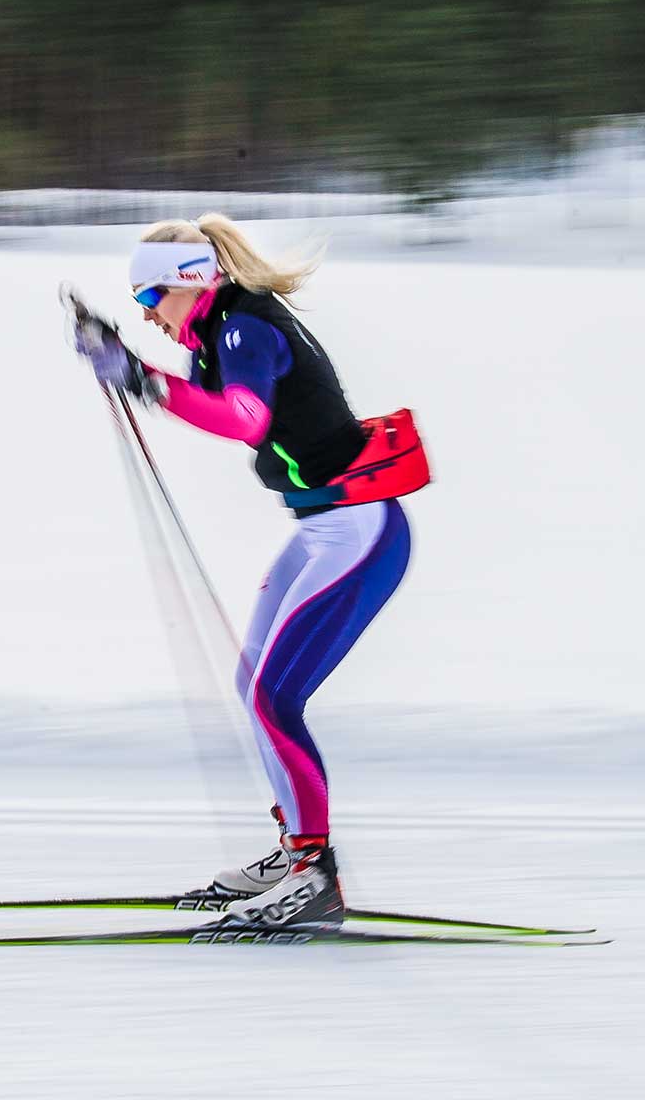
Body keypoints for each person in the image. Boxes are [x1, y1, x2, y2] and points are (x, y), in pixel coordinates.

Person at [71, 214, 421, 930]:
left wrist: (140, 378)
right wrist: (124, 362)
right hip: (327, 527)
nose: (148, 316)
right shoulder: (219, 331)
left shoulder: (245, 327)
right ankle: (296, 847)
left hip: (360, 533)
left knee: (273, 694)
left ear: (192, 282)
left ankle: (314, 873)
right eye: (137, 305)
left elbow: (245, 419)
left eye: (151, 299)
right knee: (255, 681)